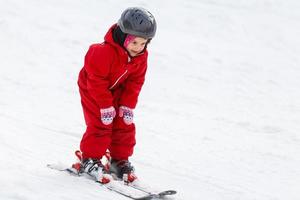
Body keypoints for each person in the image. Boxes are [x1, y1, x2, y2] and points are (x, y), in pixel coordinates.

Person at [75, 7, 157, 183]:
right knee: (101, 124)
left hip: (117, 89)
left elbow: (135, 82)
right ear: (122, 36)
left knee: (124, 124)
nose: (138, 48)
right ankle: (89, 159)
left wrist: (127, 106)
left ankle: (118, 161)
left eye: (143, 43)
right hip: (93, 89)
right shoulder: (101, 52)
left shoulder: (141, 57)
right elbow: (95, 81)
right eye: (134, 43)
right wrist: (105, 105)